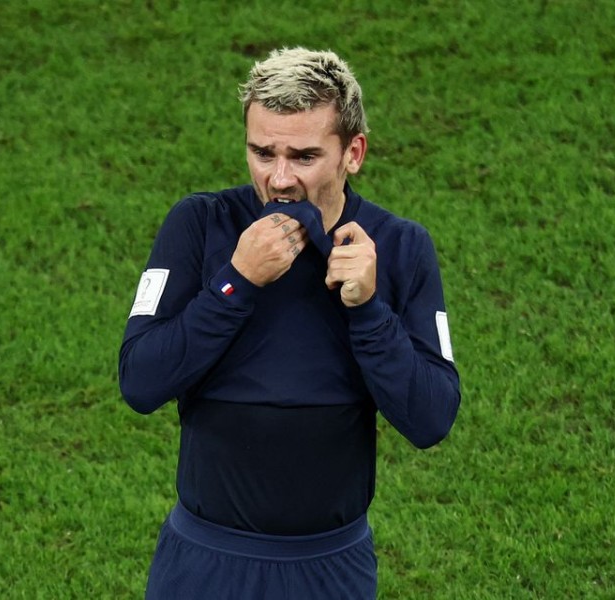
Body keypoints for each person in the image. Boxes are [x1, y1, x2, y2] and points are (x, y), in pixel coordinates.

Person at [118, 47, 460, 600]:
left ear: (354, 153)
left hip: (329, 570)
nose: (278, 178)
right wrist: (236, 281)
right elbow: (139, 381)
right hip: (204, 565)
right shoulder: (199, 225)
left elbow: (432, 418)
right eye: (261, 152)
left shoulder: (399, 247)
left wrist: (369, 311)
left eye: (303, 156)